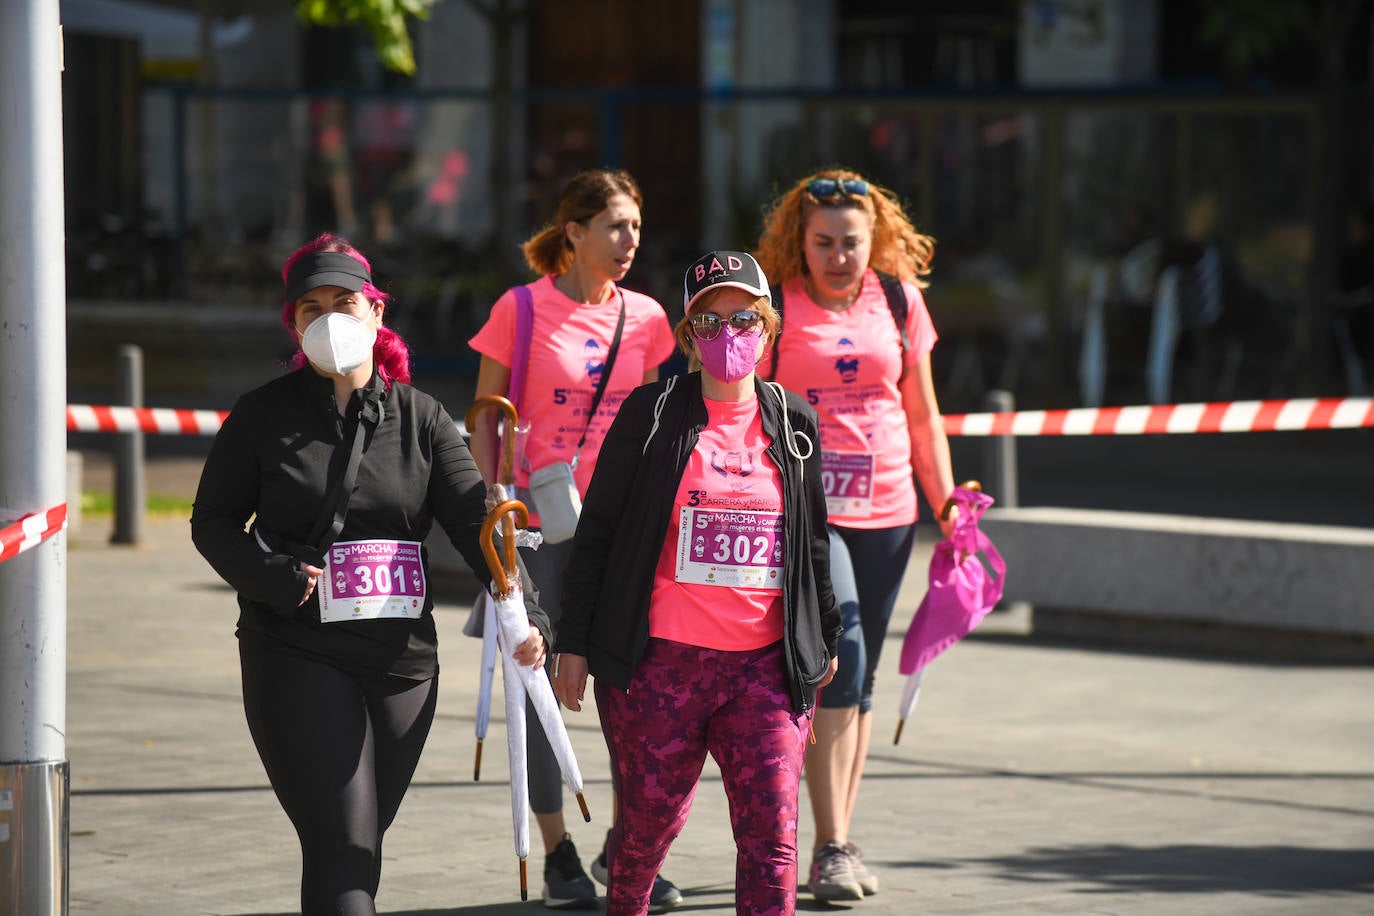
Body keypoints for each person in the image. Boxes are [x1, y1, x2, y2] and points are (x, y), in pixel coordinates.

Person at [190, 233, 550, 915]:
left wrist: (525, 612)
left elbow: (479, 523)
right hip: (295, 650)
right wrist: (273, 575)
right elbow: (211, 523)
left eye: (345, 303)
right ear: (293, 325)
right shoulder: (262, 415)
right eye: (311, 308)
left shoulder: (422, 419)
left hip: (402, 666)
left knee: (359, 846)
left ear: (376, 313)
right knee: (342, 851)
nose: (330, 319)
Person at [551, 250, 842, 915]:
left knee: (772, 838)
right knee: (649, 830)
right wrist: (574, 642)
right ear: (687, 338)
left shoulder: (794, 421)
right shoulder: (651, 415)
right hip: (659, 667)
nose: (727, 335)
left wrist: (823, 637)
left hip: (765, 670)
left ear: (767, 327)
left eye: (742, 318)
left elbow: (811, 541)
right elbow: (597, 536)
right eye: (707, 323)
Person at [467, 168, 681, 910]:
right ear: (575, 234)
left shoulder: (650, 317)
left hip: (627, 527)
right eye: (616, 226)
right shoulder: (520, 309)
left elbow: (664, 420)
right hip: (539, 526)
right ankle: (557, 848)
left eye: (636, 228)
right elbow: (486, 415)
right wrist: (492, 502)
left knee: (640, 688)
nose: (629, 241)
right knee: (539, 682)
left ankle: (632, 845)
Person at [755, 169, 958, 901]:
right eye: (822, 243)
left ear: (876, 242)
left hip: (892, 508)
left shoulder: (900, 302)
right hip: (808, 509)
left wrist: (950, 504)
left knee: (863, 672)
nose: (838, 255)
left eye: (851, 243)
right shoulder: (776, 307)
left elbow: (922, 412)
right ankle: (830, 843)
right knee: (838, 652)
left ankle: (836, 837)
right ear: (797, 243)